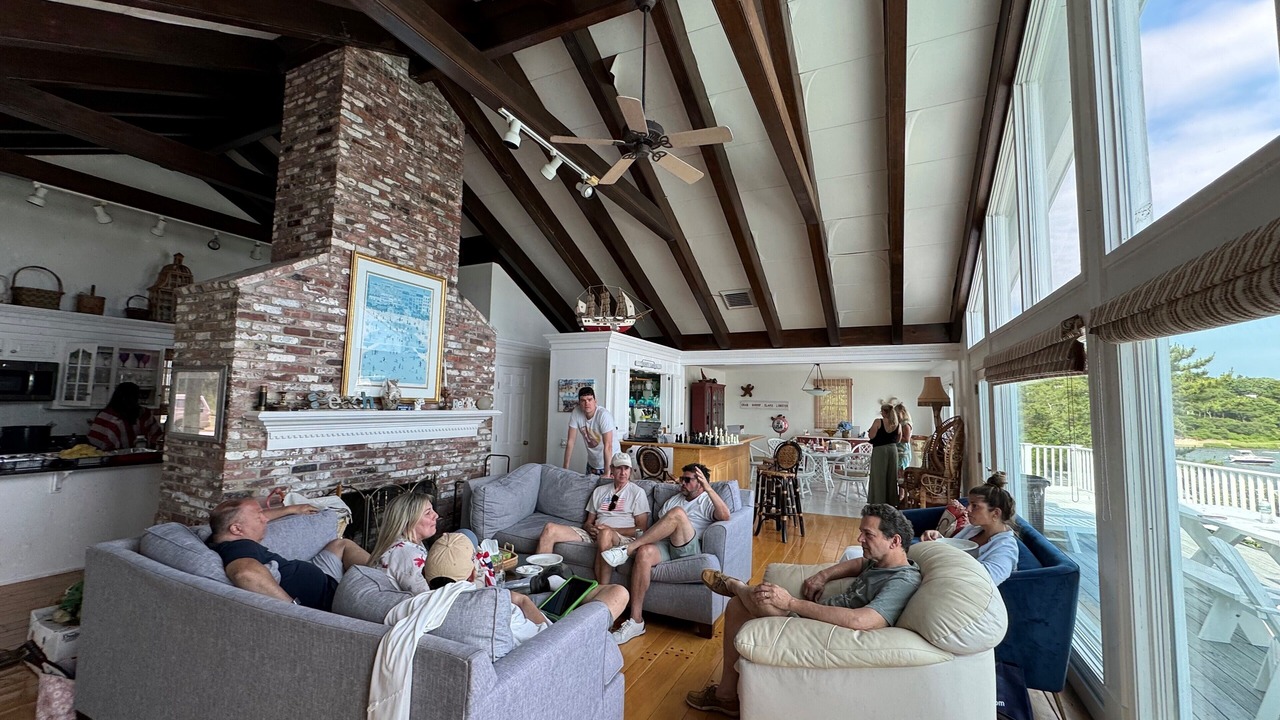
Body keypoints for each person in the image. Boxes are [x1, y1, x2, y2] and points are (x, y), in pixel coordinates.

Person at [687, 504, 922, 717]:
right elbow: (858, 563)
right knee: (738, 605)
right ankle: (726, 696)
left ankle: (735, 585)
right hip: (819, 614)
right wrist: (823, 575)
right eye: (861, 531)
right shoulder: (881, 561)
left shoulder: (902, 581)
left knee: (762, 597)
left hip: (827, 632)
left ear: (895, 541)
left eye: (868, 534)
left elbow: (861, 620)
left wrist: (791, 603)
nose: (860, 538)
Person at [601, 463, 731, 645]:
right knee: (645, 552)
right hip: (666, 544)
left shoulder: (707, 500)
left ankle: (627, 549)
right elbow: (659, 528)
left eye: (687, 480)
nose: (682, 483)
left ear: (700, 483)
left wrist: (709, 488)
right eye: (681, 479)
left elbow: (725, 516)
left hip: (688, 547)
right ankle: (636, 621)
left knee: (677, 514)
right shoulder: (674, 499)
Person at [424, 532, 631, 640]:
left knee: (569, 591)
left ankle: (558, 587)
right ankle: (562, 589)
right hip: (554, 643)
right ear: (471, 575)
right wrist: (520, 600)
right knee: (619, 592)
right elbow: (545, 638)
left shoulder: (417, 606)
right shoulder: (493, 607)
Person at [207, 497, 370, 611]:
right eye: (259, 517)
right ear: (236, 529)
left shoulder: (220, 536)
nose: (265, 519)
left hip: (322, 575)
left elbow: (245, 517)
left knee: (341, 544)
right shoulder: (239, 547)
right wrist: (293, 609)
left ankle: (385, 571)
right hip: (334, 598)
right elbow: (245, 573)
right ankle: (386, 578)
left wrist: (291, 509)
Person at [536, 452, 650, 583]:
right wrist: (590, 528)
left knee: (605, 534)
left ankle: (602, 589)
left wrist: (611, 530)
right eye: (619, 468)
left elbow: (641, 529)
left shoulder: (637, 493)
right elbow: (588, 522)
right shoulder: (600, 491)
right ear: (612, 469)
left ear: (630, 470)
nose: (623, 472)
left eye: (626, 468)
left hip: (621, 537)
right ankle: (541, 583)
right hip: (596, 533)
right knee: (550, 529)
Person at [921, 472, 1020, 586]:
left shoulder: (1006, 548)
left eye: (975, 506)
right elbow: (957, 547)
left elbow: (986, 579)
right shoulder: (973, 529)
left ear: (995, 513)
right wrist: (939, 538)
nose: (967, 509)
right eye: (969, 504)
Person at [367, 493, 440, 594]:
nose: (436, 515)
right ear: (408, 521)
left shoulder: (401, 545)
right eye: (428, 513)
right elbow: (427, 598)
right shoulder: (408, 554)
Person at [87, 382, 163, 451]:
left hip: (100, 456)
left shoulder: (104, 413)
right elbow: (158, 438)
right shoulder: (143, 414)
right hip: (135, 456)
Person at [563, 386, 619, 475]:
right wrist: (565, 469)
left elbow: (608, 445)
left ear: (595, 401)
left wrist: (607, 473)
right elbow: (570, 441)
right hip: (593, 463)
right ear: (579, 402)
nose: (587, 403)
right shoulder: (576, 413)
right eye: (583, 400)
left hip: (612, 463)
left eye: (589, 399)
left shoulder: (603, 415)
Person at [865, 401, 902, 504]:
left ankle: (878, 500)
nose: (881, 413)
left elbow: (872, 436)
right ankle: (891, 500)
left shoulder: (878, 422)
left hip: (880, 450)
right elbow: (898, 440)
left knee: (878, 475)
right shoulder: (897, 425)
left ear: (885, 412)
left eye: (882, 411)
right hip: (892, 450)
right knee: (891, 475)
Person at [893, 402, 913, 471]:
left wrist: (894, 438)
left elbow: (907, 440)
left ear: (903, 412)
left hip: (903, 452)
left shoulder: (906, 425)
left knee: (901, 472)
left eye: (898, 414)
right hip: (898, 451)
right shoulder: (899, 424)